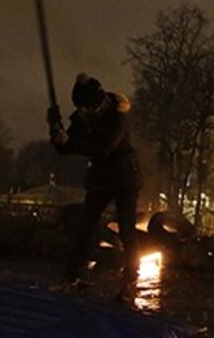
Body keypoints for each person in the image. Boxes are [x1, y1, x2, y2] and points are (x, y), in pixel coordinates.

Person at [49, 74, 140, 302]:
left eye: (88, 108)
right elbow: (66, 148)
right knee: (86, 226)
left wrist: (69, 141)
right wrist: (55, 131)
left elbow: (104, 148)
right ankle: (72, 277)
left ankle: (130, 280)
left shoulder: (117, 116)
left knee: (127, 229)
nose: (85, 113)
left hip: (125, 177)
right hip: (100, 178)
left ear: (99, 103)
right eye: (81, 108)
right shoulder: (82, 115)